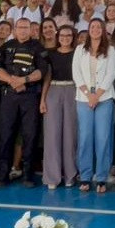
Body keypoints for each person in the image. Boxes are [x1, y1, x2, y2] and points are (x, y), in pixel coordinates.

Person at [0, 18, 48, 187]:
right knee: (5, 135)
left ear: (31, 30)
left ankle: (28, 175)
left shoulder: (38, 47)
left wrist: (23, 80)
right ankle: (3, 175)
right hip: (9, 96)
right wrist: (12, 81)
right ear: (15, 29)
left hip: (30, 97)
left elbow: (42, 71)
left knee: (30, 136)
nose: (23, 30)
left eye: (26, 27)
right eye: (20, 27)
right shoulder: (6, 46)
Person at [73, 19, 115, 194]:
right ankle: (85, 176)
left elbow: (110, 74)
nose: (96, 29)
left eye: (99, 27)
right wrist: (88, 94)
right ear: (88, 30)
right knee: (84, 137)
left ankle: (101, 177)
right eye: (93, 27)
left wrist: (96, 96)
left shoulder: (110, 50)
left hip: (104, 98)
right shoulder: (79, 50)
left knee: (103, 138)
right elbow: (76, 73)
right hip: (83, 99)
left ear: (104, 30)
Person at [41, 26, 78, 189]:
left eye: (69, 35)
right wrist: (43, 99)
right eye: (62, 35)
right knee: (52, 134)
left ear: (73, 36)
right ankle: (52, 177)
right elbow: (47, 77)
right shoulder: (51, 54)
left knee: (71, 135)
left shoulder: (79, 53)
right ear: (58, 36)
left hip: (73, 90)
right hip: (54, 91)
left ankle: (70, 175)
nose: (65, 38)